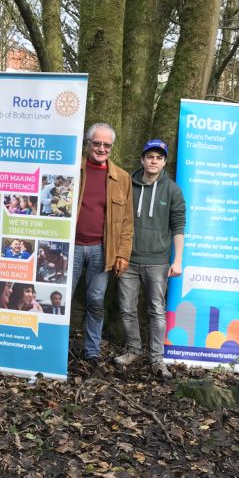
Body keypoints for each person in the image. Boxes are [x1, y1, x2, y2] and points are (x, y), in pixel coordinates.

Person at [114, 140, 185, 378]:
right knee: (126, 307)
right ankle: (133, 348)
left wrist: (178, 260)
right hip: (128, 260)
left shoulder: (172, 190)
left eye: (159, 157)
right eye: (150, 157)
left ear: (164, 162)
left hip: (158, 261)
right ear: (142, 160)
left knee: (156, 309)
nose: (154, 161)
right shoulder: (127, 185)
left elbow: (178, 226)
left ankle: (157, 357)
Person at [72, 122, 133, 365]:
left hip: (102, 249)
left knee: (96, 302)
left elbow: (127, 221)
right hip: (70, 247)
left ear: (112, 147)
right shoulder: (72, 169)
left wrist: (123, 254)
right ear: (88, 144)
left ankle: (92, 350)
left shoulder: (121, 178)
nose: (101, 148)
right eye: (97, 143)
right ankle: (53, 345)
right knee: (60, 298)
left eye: (106, 145)